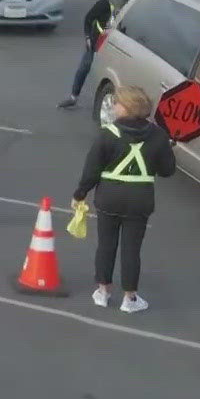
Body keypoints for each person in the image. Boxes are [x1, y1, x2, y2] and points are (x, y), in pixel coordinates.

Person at [73, 84, 176, 314]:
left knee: (106, 245)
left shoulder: (108, 134)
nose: (115, 106)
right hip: (139, 200)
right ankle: (130, 299)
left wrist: (80, 193)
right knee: (132, 250)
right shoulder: (159, 136)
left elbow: (92, 170)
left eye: (118, 103)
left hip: (109, 197)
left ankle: (103, 292)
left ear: (127, 108)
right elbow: (168, 170)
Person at [59, 0, 134, 109]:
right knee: (84, 67)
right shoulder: (104, 4)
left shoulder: (128, 12)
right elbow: (88, 18)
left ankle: (118, 101)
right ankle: (73, 96)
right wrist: (88, 37)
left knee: (113, 74)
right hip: (96, 42)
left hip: (113, 47)